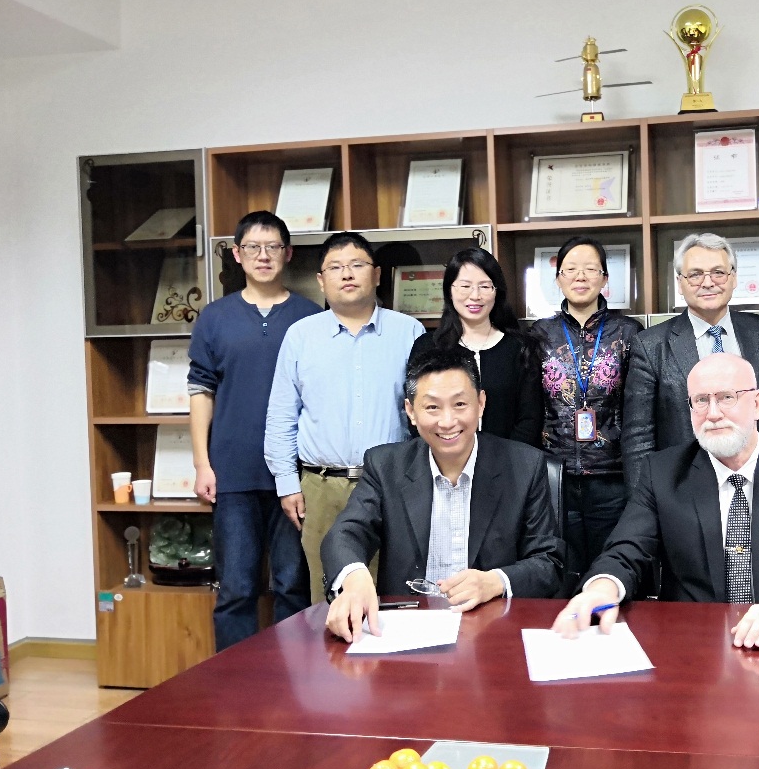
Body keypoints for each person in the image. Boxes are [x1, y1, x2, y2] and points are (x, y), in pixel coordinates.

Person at [554, 353, 759, 650]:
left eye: (727, 397)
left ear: (757, 403)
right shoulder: (662, 473)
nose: (713, 413)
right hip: (693, 646)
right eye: (701, 400)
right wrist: (603, 588)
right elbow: (626, 550)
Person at [322, 348, 563, 642]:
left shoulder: (524, 465)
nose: (447, 422)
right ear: (411, 411)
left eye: (460, 404)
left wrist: (495, 581)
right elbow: (346, 533)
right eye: (432, 407)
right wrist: (354, 576)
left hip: (491, 631)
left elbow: (549, 562)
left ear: (481, 403)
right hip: (406, 632)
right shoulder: (386, 466)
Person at [187, 211, 323, 651]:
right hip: (233, 472)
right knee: (236, 588)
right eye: (253, 247)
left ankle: (296, 677)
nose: (263, 256)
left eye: (272, 247)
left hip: (296, 475)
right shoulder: (215, 317)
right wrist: (202, 463)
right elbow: (201, 392)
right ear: (236, 254)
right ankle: (234, 681)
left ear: (288, 254)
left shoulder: (310, 317)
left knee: (293, 585)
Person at [264, 231, 423, 603]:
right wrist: (287, 484)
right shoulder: (301, 336)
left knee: (393, 594)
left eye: (357, 265)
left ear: (377, 274)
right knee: (328, 598)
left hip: (391, 485)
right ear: (321, 280)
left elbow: (422, 415)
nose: (347, 274)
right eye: (335, 267)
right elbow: (282, 415)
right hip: (320, 487)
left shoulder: (409, 332)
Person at [622, 232, 759, 492]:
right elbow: (638, 437)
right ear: (680, 283)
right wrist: (645, 503)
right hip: (683, 488)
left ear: (733, 278)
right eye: (695, 274)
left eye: (718, 272)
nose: (708, 283)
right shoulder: (650, 345)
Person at [531, 236, 641, 587]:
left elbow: (638, 409)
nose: (580, 276)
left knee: (611, 567)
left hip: (612, 476)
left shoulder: (629, 332)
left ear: (604, 278)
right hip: (555, 475)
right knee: (561, 571)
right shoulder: (539, 335)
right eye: (571, 269)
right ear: (558, 279)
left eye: (591, 269)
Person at [408, 247, 543, 446]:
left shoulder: (521, 347)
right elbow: (418, 412)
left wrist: (506, 459)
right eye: (465, 286)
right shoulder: (428, 347)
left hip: (509, 460)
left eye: (485, 286)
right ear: (449, 291)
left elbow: (530, 419)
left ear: (497, 292)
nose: (475, 295)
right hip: (443, 458)